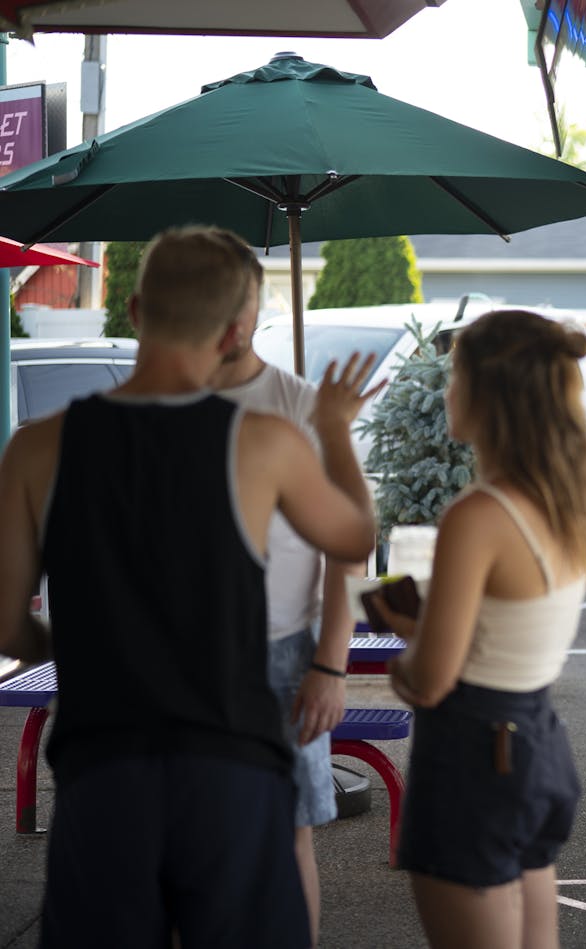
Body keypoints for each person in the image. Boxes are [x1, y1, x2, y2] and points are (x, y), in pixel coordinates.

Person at [0, 225, 378, 947]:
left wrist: (68, 643)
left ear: (135, 311)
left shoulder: (37, 446)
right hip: (231, 761)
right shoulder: (265, 442)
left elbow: (4, 623)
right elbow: (355, 539)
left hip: (101, 764)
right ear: (238, 330)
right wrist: (332, 430)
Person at [379, 311, 586, 949]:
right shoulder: (564, 500)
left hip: (473, 756)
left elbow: (428, 681)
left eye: (456, 375)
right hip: (535, 744)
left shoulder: (478, 515)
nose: (446, 391)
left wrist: (404, 640)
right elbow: (510, 625)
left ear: (491, 393)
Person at [211, 300, 362, 947]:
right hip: (187, 652)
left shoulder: (302, 406)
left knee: (290, 830)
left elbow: (346, 546)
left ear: (249, 311)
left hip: (284, 651)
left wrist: (330, 664)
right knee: (194, 834)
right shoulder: (158, 402)